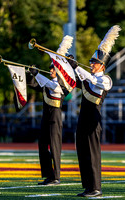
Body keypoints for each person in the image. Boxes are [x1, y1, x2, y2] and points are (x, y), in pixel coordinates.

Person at [67, 25, 121, 197]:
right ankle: (88, 186)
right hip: (83, 119)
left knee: (92, 153)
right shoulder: (87, 77)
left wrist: (77, 67)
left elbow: (92, 80)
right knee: (82, 152)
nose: (91, 64)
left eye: (94, 63)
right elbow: (78, 77)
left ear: (102, 65)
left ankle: (96, 187)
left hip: (93, 120)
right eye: (91, 62)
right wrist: (68, 63)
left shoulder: (106, 79)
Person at [27, 35, 73, 185]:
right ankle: (48, 174)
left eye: (53, 68)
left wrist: (37, 74)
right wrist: (29, 75)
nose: (50, 70)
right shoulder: (46, 81)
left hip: (55, 116)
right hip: (46, 116)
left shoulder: (58, 85)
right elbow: (34, 85)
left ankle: (57, 177)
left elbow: (49, 84)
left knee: (54, 146)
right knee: (42, 144)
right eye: (50, 68)